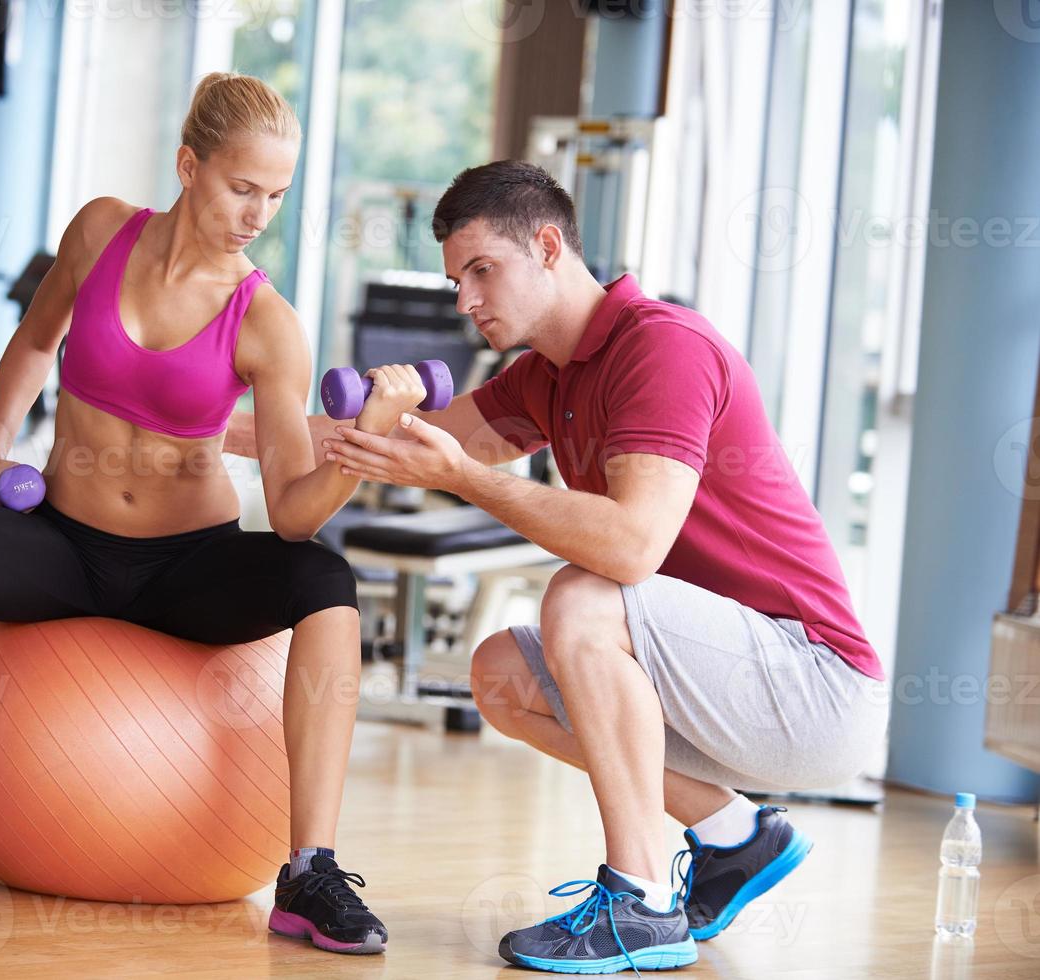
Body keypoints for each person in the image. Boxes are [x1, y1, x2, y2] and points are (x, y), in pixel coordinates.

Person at [0, 73, 422, 956]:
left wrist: (362, 443)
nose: (257, 213)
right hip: (64, 545)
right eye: (242, 187)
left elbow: (294, 514)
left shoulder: (268, 321)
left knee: (324, 579)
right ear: (189, 164)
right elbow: (38, 339)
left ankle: (310, 870)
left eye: (276, 195)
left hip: (186, 567)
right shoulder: (100, 232)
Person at [229, 159, 889, 974]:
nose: (465, 301)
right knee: (502, 673)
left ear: (547, 245)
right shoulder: (546, 378)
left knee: (582, 594)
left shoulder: (663, 348)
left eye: (482, 271)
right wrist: (188, 423)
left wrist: (468, 478)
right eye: (456, 279)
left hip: (813, 685)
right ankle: (734, 835)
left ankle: (642, 901)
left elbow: (628, 547)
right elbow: (390, 450)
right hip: (725, 679)